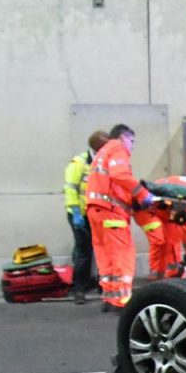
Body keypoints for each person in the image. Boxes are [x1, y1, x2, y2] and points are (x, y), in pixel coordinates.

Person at [85, 124, 159, 312]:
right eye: (132, 141)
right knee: (122, 255)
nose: (132, 146)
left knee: (105, 256)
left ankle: (110, 297)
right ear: (123, 137)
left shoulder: (101, 154)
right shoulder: (117, 148)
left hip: (96, 211)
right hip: (112, 212)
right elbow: (120, 176)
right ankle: (123, 301)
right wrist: (143, 195)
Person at [63, 130, 109, 304]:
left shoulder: (105, 163)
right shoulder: (79, 162)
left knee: (101, 250)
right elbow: (70, 188)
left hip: (97, 214)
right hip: (79, 214)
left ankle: (99, 282)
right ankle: (79, 289)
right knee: (83, 252)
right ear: (97, 147)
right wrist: (75, 212)